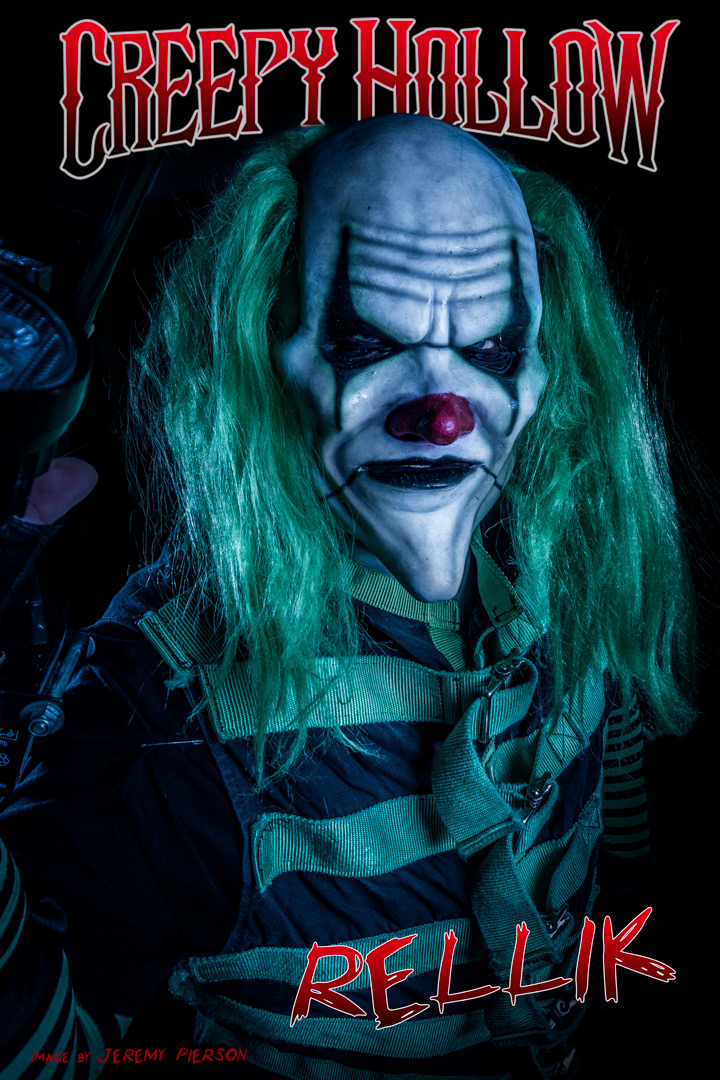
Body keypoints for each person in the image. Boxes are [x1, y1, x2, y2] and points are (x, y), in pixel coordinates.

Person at [0, 115, 695, 1080]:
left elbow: (619, 850)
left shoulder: (574, 561)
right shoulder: (153, 710)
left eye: (493, 349)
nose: (442, 417)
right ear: (264, 343)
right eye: (368, 342)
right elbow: (44, 1059)